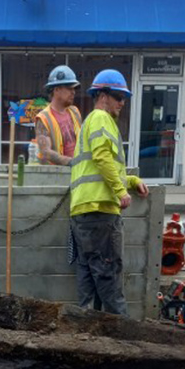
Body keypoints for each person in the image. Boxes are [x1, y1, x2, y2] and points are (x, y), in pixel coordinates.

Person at [69, 69, 148, 315]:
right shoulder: (102, 118)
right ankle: (122, 338)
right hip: (100, 211)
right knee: (108, 275)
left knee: (89, 278)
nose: (122, 103)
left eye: (124, 98)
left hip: (83, 212)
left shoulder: (90, 122)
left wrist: (130, 180)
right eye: (118, 96)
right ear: (102, 95)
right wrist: (120, 192)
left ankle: (86, 333)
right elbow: (102, 157)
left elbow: (101, 163)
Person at [34, 65, 82, 165]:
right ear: (56, 90)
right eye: (69, 88)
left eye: (74, 89)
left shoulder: (75, 112)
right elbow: (46, 152)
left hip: (78, 173)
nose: (73, 92)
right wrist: (71, 162)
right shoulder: (43, 118)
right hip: (57, 175)